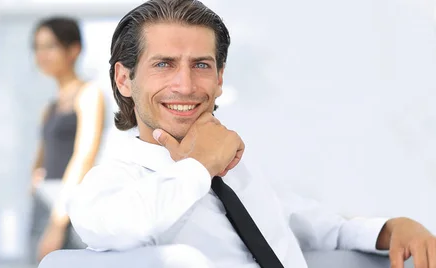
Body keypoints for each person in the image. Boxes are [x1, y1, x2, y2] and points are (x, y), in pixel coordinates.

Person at [66, 1, 436, 268]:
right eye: (164, 64)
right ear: (124, 79)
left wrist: (393, 228)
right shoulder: (109, 185)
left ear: (220, 79)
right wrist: (200, 164)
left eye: (201, 65)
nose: (185, 84)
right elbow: (128, 228)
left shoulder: (240, 176)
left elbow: (324, 228)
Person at [28, 17, 106, 263]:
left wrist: (58, 220)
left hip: (69, 206)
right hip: (44, 202)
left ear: (73, 50)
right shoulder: (49, 106)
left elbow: (84, 157)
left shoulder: (89, 94)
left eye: (50, 46)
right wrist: (35, 178)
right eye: (37, 47)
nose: (41, 54)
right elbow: (42, 154)